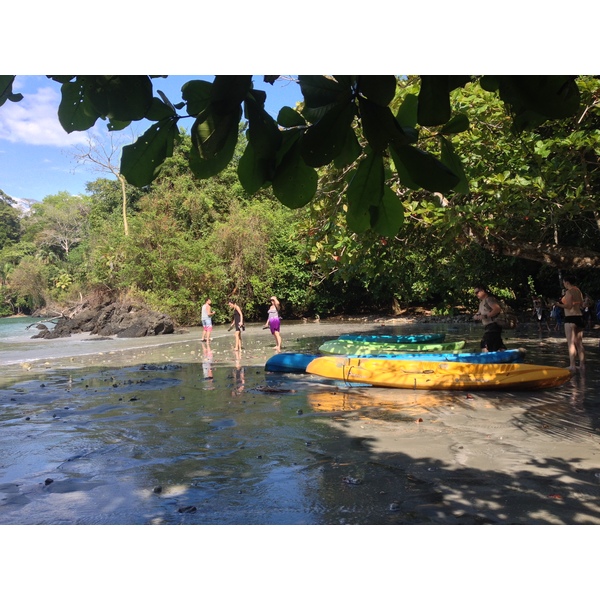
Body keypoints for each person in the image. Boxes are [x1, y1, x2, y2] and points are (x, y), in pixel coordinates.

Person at [555, 273, 585, 373]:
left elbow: (568, 306)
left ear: (567, 282)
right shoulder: (578, 291)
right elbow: (581, 304)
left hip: (570, 318)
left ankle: (572, 365)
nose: (563, 284)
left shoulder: (569, 292)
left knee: (571, 343)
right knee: (579, 343)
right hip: (579, 317)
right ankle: (582, 365)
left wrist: (558, 304)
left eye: (564, 282)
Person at [473, 284, 507, 352]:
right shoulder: (481, 303)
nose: (476, 294)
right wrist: (475, 317)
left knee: (484, 344)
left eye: (477, 292)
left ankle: (486, 359)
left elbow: (497, 309)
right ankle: (505, 355)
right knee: (497, 345)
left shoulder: (489, 299)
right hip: (488, 326)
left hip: (494, 325)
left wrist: (485, 316)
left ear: (482, 291)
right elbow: (479, 313)